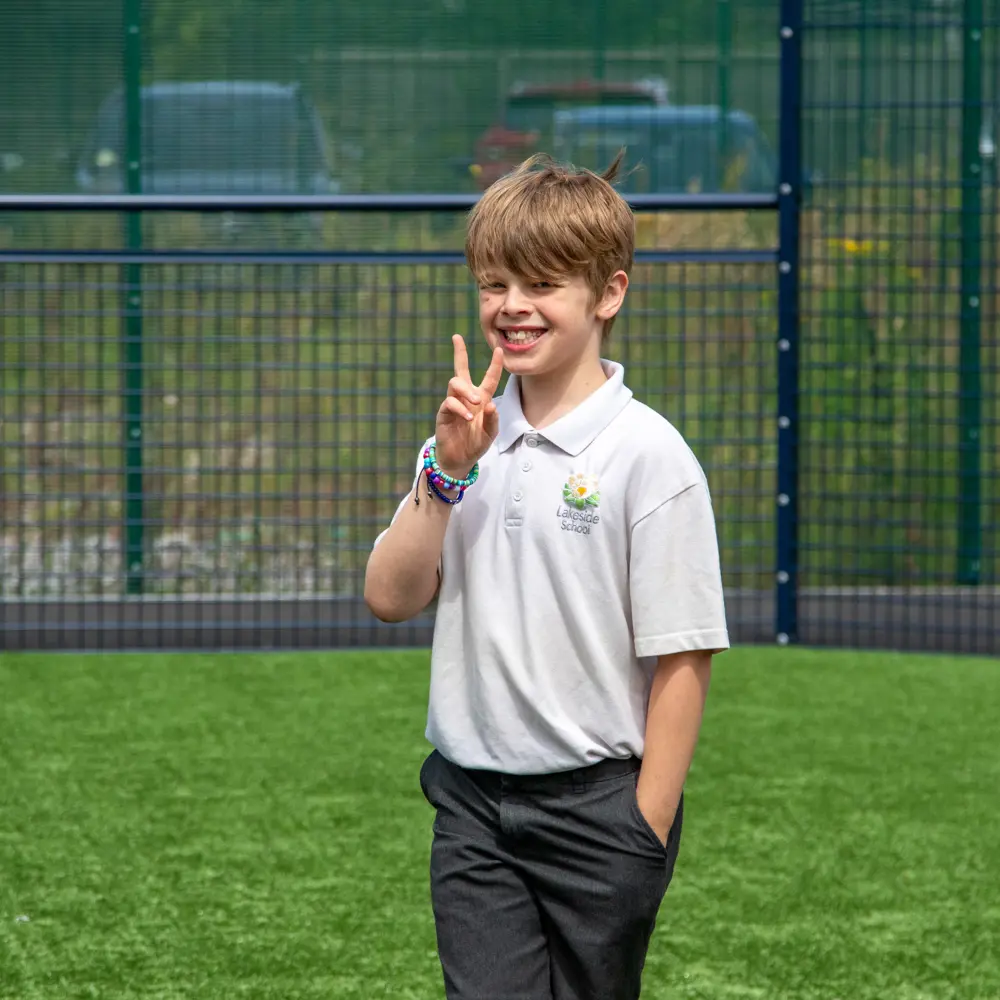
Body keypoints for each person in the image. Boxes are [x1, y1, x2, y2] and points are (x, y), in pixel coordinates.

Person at [364, 152, 729, 1000]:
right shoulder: (460, 443)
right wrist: (447, 473)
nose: (512, 308)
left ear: (608, 293)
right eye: (494, 285)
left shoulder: (651, 457)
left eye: (542, 285)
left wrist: (646, 826)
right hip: (473, 812)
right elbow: (389, 597)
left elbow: (682, 659)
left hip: (603, 815)